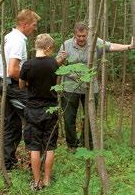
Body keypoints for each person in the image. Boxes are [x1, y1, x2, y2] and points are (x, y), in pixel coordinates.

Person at [58, 21, 135, 152]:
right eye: (79, 36)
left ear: (88, 34)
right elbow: (59, 64)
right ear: (74, 35)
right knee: (69, 117)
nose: (82, 39)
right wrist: (67, 67)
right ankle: (72, 145)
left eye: (84, 36)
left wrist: (129, 46)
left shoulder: (95, 42)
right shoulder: (66, 45)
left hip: (90, 88)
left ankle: (86, 143)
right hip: (70, 87)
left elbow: (111, 46)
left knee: (89, 117)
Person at [19, 33, 66, 190]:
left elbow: (21, 85)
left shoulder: (27, 65)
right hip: (51, 109)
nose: (52, 52)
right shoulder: (54, 64)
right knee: (50, 145)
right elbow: (55, 74)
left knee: (34, 146)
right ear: (47, 48)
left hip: (33, 109)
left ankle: (37, 181)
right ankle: (47, 180)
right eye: (51, 48)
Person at [0, 9, 40, 170]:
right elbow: (13, 70)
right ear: (24, 24)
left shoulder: (9, 37)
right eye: (34, 25)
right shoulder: (17, 41)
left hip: (5, 85)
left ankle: (8, 163)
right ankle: (35, 161)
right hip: (14, 87)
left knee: (12, 125)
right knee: (33, 119)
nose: (35, 29)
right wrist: (29, 82)